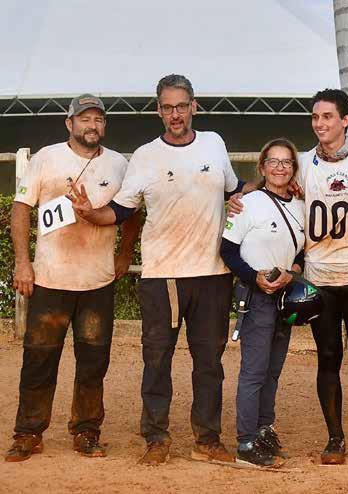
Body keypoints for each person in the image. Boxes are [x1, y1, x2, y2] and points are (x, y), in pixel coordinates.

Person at [68, 74, 244, 466]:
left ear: (194, 106)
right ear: (158, 111)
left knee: (210, 363)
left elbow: (235, 189)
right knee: (157, 359)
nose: (175, 114)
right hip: (163, 276)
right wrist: (90, 212)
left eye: (181, 106)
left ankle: (207, 439)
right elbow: (121, 210)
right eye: (167, 107)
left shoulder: (214, 143)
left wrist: (278, 188)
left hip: (213, 274)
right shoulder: (146, 155)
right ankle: (156, 437)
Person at [230, 88, 348, 464]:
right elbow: (272, 179)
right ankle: (335, 439)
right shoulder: (301, 162)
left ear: (346, 119)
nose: (319, 123)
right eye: (315, 117)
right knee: (328, 357)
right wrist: (240, 196)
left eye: (327, 116)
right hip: (319, 279)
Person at [5, 94, 140, 462]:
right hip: (50, 280)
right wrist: (22, 263)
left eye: (98, 119)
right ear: (70, 124)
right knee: (39, 360)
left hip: (97, 282)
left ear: (104, 125)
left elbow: (132, 212)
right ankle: (28, 432)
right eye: (84, 119)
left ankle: (86, 430)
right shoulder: (46, 158)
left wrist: (125, 253)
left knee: (93, 362)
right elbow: (21, 209)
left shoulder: (119, 164)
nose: (91, 125)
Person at [219, 138, 305, 467]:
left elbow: (301, 251)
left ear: (293, 169)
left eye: (286, 162)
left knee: (273, 370)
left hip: (285, 295)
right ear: (262, 167)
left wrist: (292, 271)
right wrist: (254, 277)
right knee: (254, 371)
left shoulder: (300, 205)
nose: (280, 167)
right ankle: (245, 442)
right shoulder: (248, 204)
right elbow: (227, 251)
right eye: (273, 161)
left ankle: (264, 430)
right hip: (256, 296)